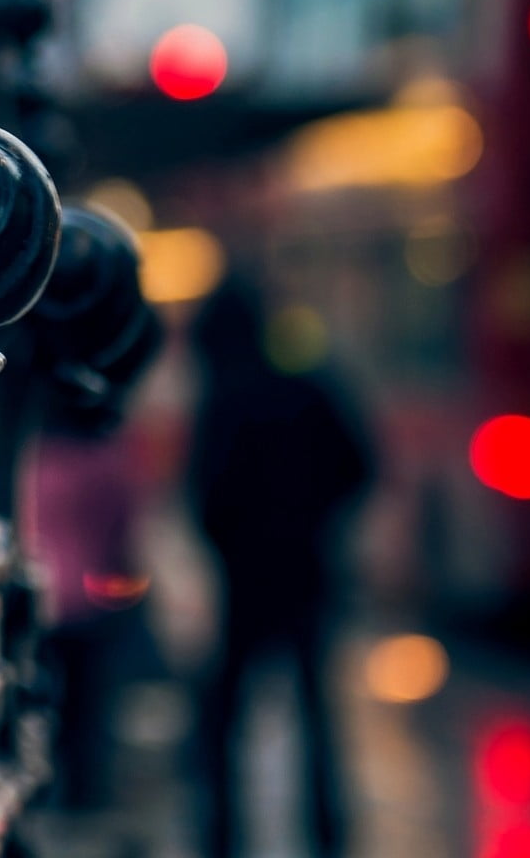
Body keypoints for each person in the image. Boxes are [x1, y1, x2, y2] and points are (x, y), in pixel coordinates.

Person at [185, 276, 374, 858]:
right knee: (317, 709)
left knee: (225, 716)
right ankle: (327, 828)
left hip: (245, 581)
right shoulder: (308, 388)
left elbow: (206, 495)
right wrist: (319, 524)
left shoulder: (223, 398)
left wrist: (227, 545)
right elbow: (360, 465)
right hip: (308, 571)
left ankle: (221, 832)